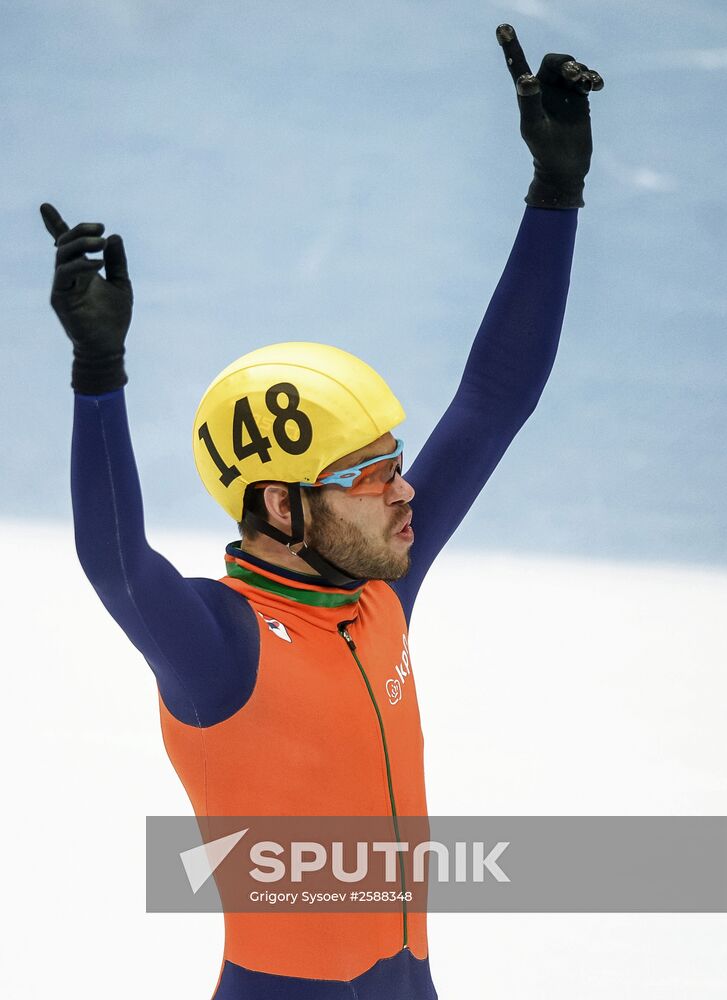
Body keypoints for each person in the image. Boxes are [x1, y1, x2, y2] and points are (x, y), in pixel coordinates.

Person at [41, 24, 602, 1000]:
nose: (407, 488)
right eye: (371, 473)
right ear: (280, 505)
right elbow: (117, 564)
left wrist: (554, 194)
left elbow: (492, 401)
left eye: (394, 464)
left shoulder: (381, 588)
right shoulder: (220, 646)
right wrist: (99, 377)